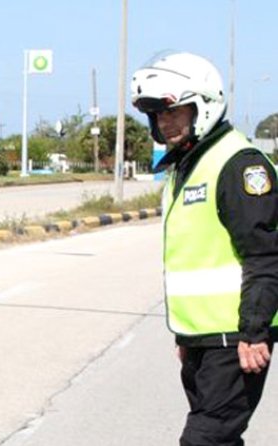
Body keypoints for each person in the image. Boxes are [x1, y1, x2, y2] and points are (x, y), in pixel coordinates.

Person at [131, 52, 278, 446]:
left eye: (176, 111)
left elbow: (264, 256)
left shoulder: (238, 164)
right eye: (159, 115)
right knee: (219, 439)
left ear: (204, 107)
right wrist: (187, 337)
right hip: (202, 341)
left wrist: (255, 331)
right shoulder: (188, 164)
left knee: (204, 440)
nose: (165, 122)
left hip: (236, 339)